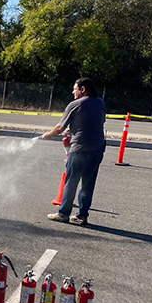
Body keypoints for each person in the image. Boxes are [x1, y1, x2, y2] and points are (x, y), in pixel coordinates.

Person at [41, 77, 106, 226]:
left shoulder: (75, 104)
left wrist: (48, 135)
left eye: (75, 88)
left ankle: (63, 214)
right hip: (97, 149)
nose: (73, 92)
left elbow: (60, 128)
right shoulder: (100, 103)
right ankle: (82, 216)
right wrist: (75, 129)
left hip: (80, 149)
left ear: (83, 89)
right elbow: (94, 122)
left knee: (71, 181)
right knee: (88, 184)